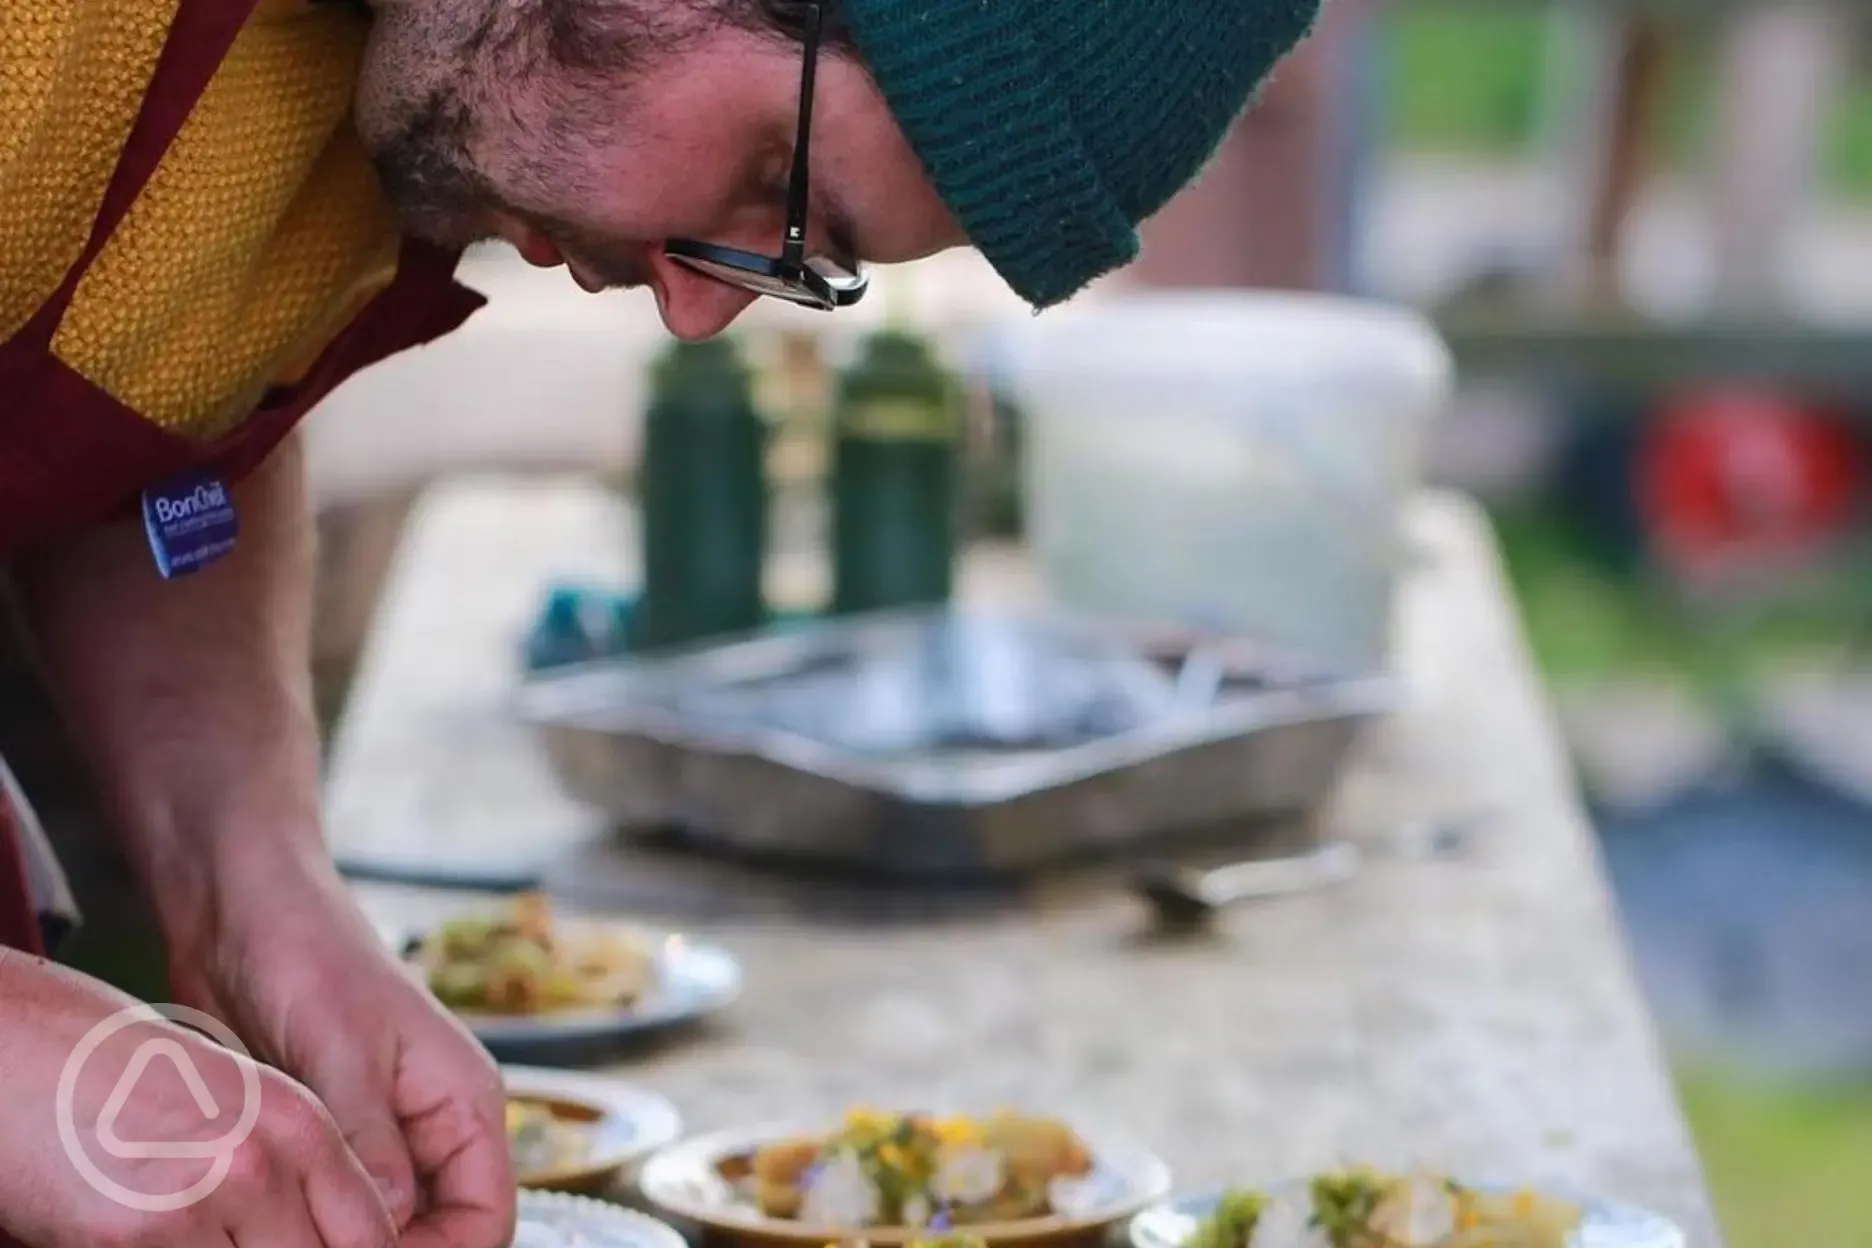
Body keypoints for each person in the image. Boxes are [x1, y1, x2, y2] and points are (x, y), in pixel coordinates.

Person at [0, 0, 1323, 1246]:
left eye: (802, 265)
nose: (698, 311)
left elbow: (174, 417)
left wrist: (250, 875)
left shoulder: (429, 76)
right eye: (778, 188)